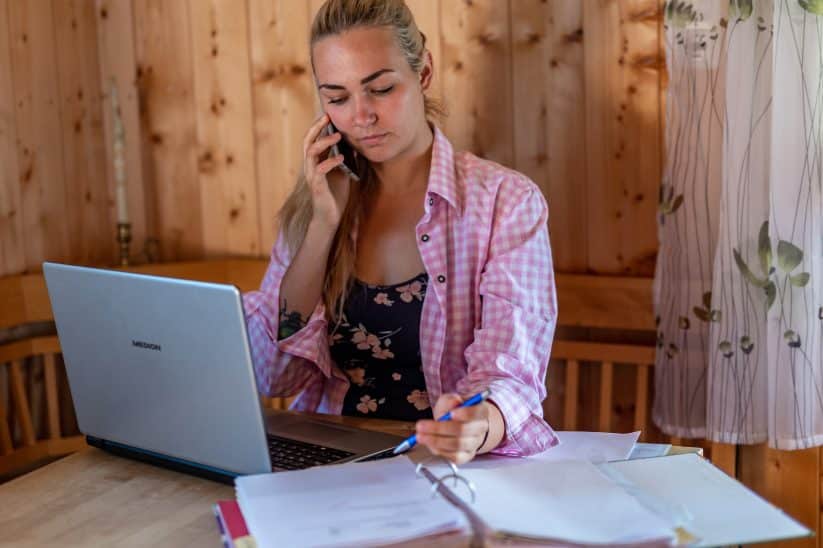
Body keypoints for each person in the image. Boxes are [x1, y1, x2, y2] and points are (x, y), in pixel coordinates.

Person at [244, 0, 558, 464]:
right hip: (325, 463)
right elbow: (271, 375)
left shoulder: (506, 203)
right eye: (337, 97)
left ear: (424, 72)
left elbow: (509, 374)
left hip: (448, 466)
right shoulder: (315, 204)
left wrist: (479, 425)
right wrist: (321, 227)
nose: (360, 116)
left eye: (382, 88)